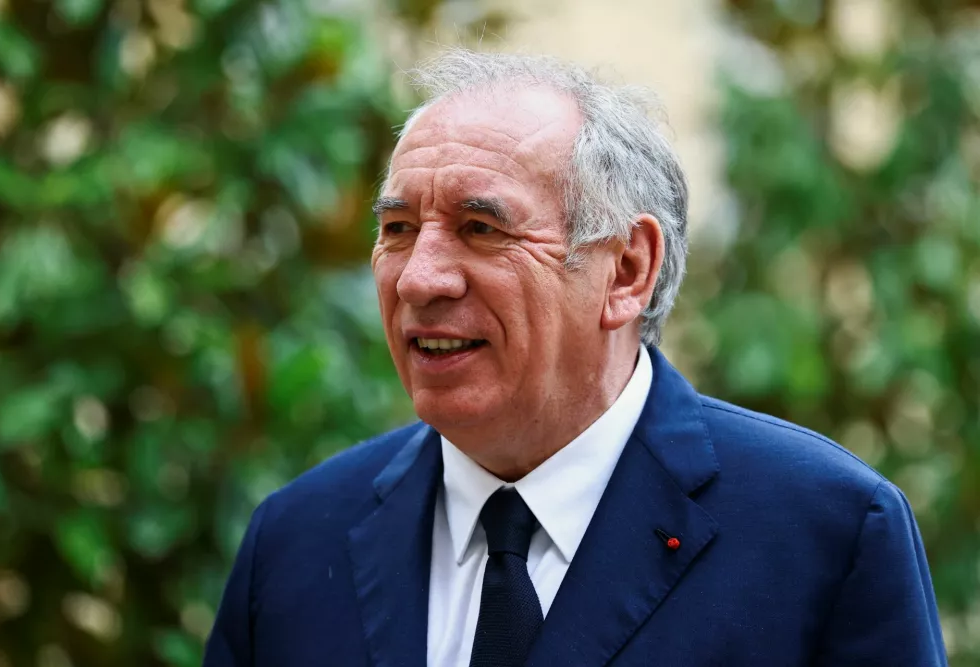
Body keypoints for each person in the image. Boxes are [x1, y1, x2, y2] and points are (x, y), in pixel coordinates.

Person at [203, 49, 946, 667]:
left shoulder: (826, 535)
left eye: (481, 228)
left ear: (626, 270)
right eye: (398, 229)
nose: (420, 279)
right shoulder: (296, 543)